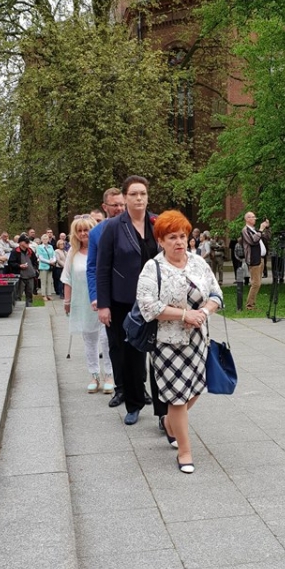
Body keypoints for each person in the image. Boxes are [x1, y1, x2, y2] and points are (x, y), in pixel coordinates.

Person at [136, 211, 223, 473]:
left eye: (183, 236)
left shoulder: (198, 263)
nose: (179, 242)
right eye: (172, 237)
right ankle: (185, 452)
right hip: (167, 343)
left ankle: (170, 423)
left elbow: (216, 294)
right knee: (176, 398)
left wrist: (203, 312)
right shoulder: (153, 267)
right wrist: (184, 315)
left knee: (195, 388)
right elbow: (148, 306)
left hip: (197, 340)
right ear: (161, 241)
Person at [96, 176, 162, 425]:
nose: (139, 198)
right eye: (133, 194)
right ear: (125, 197)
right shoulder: (114, 227)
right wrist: (103, 304)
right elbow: (103, 267)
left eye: (142, 193)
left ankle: (164, 412)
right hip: (124, 301)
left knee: (160, 356)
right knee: (129, 355)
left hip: (157, 301)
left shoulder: (158, 223)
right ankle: (134, 404)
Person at [62, 215, 113, 394]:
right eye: (80, 230)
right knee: (89, 339)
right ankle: (94, 375)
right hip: (83, 302)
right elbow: (67, 278)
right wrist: (67, 301)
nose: (84, 233)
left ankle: (109, 375)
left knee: (106, 339)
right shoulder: (72, 253)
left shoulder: (102, 249)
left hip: (104, 301)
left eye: (87, 229)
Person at [86, 187, 127, 407]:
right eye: (115, 205)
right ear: (105, 207)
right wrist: (98, 298)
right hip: (111, 297)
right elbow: (92, 268)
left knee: (139, 344)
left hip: (135, 296)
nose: (119, 208)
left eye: (122, 204)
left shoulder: (136, 226)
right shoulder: (97, 233)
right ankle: (120, 389)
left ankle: (139, 387)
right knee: (115, 344)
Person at [241, 211, 270, 309]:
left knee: (258, 283)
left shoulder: (255, 230)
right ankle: (250, 305)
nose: (255, 219)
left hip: (261, 258)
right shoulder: (245, 230)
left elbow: (267, 237)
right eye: (252, 217)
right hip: (254, 259)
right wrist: (261, 229)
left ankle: (252, 303)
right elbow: (253, 241)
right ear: (247, 219)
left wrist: (267, 228)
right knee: (256, 283)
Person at [7, 234, 39, 305]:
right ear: (21, 242)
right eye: (26, 242)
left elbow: (35, 261)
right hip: (20, 277)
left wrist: (34, 269)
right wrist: (19, 266)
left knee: (30, 295)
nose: (28, 243)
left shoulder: (30, 251)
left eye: (28, 242)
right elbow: (11, 263)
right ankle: (18, 309)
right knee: (18, 295)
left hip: (30, 276)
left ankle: (29, 308)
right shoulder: (15, 252)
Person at [36, 233, 56, 300]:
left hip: (50, 266)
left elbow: (54, 255)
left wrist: (54, 260)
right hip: (43, 266)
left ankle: (49, 294)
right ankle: (44, 295)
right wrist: (49, 262)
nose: (45, 240)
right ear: (42, 240)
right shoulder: (40, 247)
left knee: (49, 281)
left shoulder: (50, 246)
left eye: (46, 239)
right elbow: (41, 258)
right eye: (44, 239)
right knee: (43, 281)